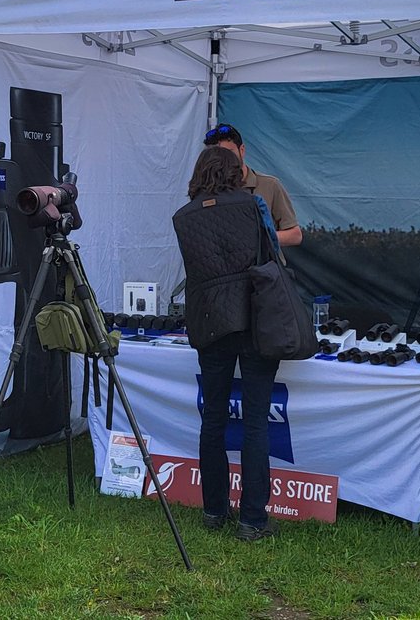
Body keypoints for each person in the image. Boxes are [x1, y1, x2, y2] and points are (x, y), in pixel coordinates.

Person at [172, 145, 280, 543]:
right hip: (254, 318)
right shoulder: (253, 206)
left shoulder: (183, 218)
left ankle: (214, 511)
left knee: (213, 419)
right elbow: (272, 255)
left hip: (209, 321)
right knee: (255, 420)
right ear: (237, 173)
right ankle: (253, 519)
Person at [203, 123, 302, 247]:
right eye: (217, 156)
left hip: (264, 265)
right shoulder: (207, 191)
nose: (224, 160)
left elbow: (295, 235)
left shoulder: (270, 185)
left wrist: (261, 237)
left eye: (229, 153)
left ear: (242, 150)